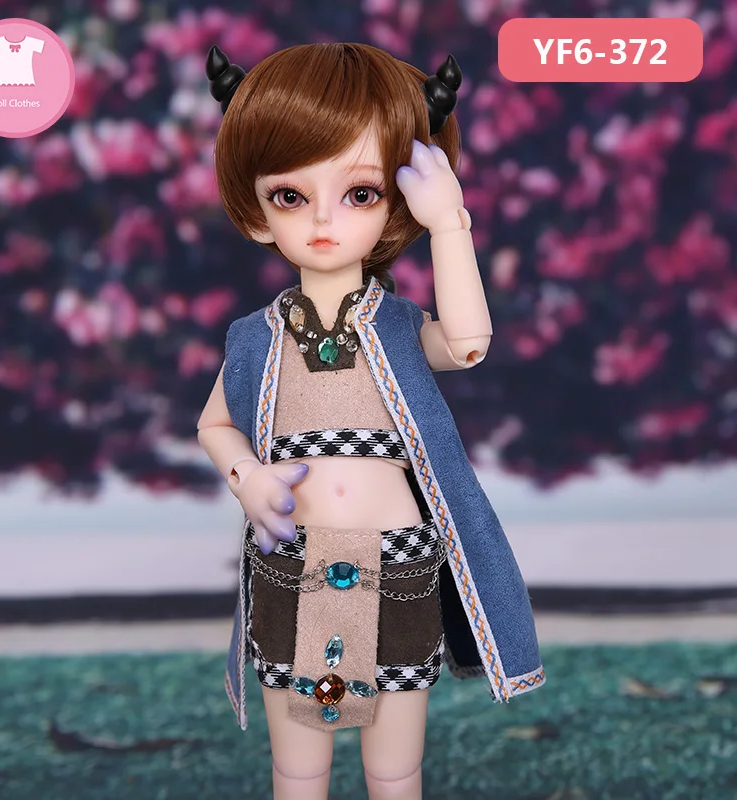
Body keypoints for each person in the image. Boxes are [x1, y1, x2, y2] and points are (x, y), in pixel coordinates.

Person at [197, 42, 544, 800]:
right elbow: (215, 425)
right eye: (291, 195)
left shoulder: (399, 328)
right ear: (257, 212)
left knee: (395, 766)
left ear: (394, 205)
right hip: (290, 563)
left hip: (399, 565)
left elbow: (469, 342)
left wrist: (450, 225)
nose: (323, 219)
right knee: (298, 766)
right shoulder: (254, 339)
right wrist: (247, 477)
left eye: (360, 192)